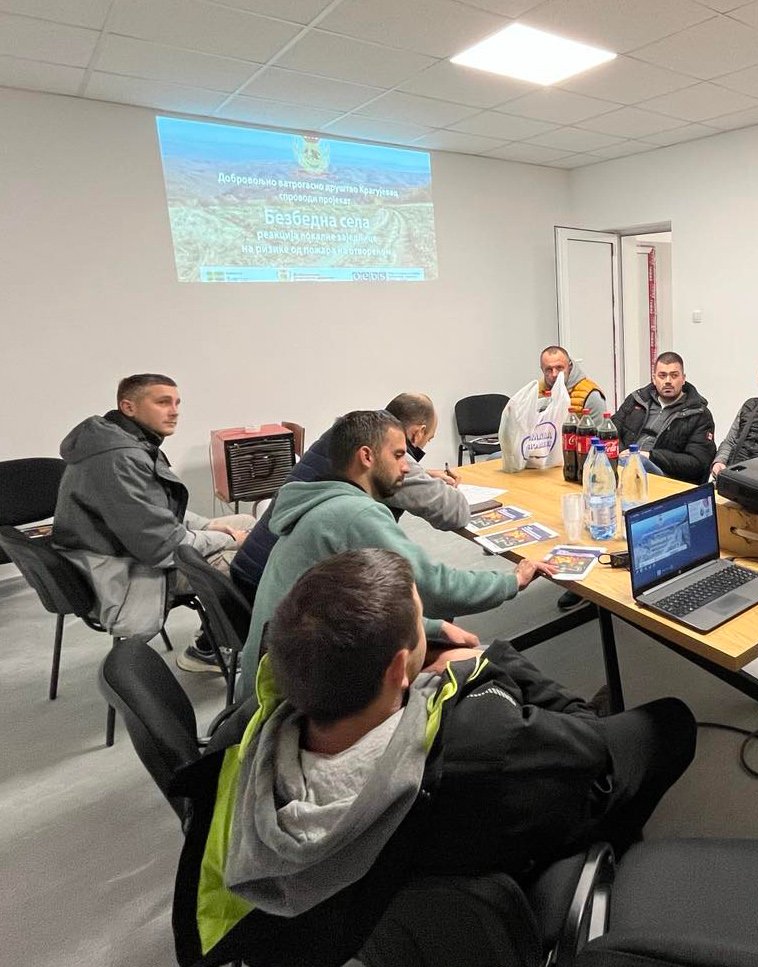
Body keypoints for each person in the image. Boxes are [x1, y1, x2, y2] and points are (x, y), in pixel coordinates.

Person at [174, 547, 696, 967]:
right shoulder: (487, 741)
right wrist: (494, 662)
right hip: (496, 847)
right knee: (669, 723)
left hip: (364, 921)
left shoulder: (242, 745)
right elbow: (591, 741)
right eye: (423, 623)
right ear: (397, 669)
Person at [236, 410, 554, 699]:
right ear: (366, 456)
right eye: (399, 455)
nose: (406, 466)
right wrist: (512, 580)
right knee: (485, 667)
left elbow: (354, 611)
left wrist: (431, 628)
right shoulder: (354, 515)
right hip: (289, 695)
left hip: (275, 676)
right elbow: (433, 586)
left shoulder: (322, 502)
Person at [52, 373, 252, 672]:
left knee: (247, 521)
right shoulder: (121, 458)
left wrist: (210, 527)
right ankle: (210, 649)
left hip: (122, 552)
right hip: (124, 574)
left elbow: (156, 507)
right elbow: (162, 547)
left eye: (177, 403)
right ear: (128, 407)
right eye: (162, 402)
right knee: (248, 560)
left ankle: (215, 633)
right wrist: (231, 539)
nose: (174, 411)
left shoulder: (118, 441)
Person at [230, 393, 469, 600]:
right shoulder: (376, 468)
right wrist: (452, 489)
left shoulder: (350, 435)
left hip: (255, 566)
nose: (405, 465)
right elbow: (455, 513)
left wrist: (424, 474)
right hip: (281, 594)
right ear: (418, 433)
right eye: (429, 439)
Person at [615, 352, 716, 484]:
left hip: (666, 476)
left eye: (674, 375)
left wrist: (651, 456)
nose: (668, 381)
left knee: (639, 463)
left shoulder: (699, 414)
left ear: (683, 379)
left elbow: (698, 463)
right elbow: (612, 430)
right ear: (654, 378)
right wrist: (622, 451)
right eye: (662, 375)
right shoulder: (637, 400)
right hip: (625, 462)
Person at [538, 345, 607, 418]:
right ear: (542, 369)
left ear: (570, 366)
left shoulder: (591, 396)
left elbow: (599, 425)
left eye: (559, 368)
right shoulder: (537, 392)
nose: (554, 374)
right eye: (548, 369)